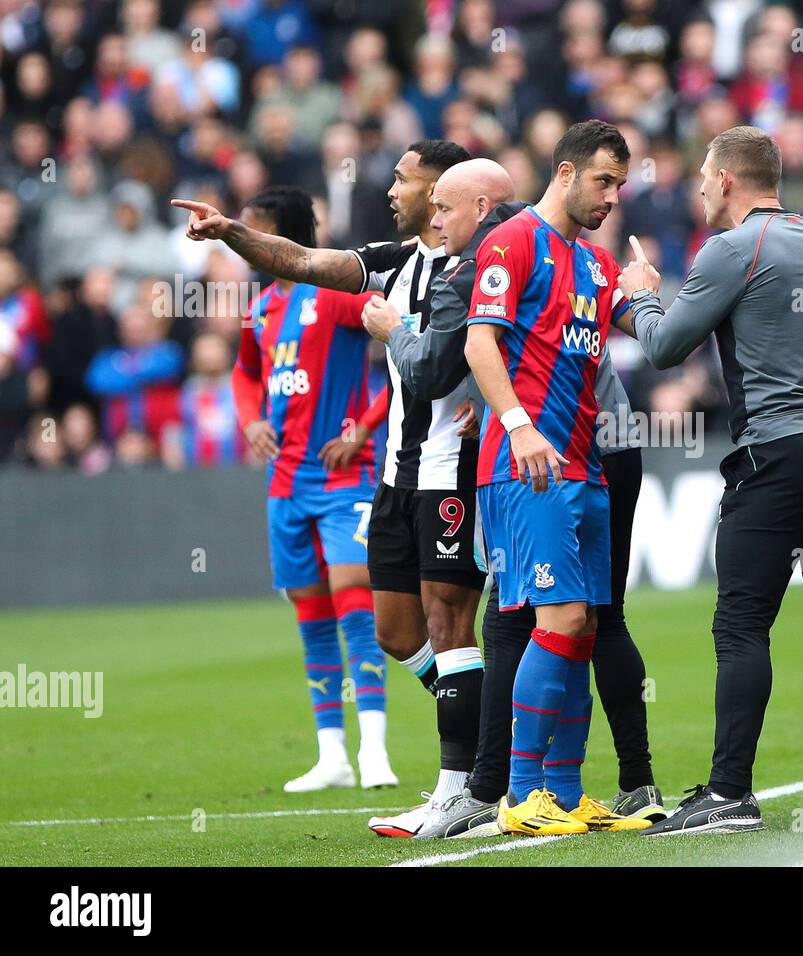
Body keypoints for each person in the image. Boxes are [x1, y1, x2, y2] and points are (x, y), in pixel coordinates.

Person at [172, 141, 485, 809]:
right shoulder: (385, 265)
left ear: (437, 192)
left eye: (401, 179)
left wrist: (369, 427)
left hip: (433, 470)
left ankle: (460, 771)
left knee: (446, 619)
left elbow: (493, 346)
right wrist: (229, 232)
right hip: (378, 480)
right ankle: (467, 728)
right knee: (396, 630)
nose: (390, 189)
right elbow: (298, 273)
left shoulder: (479, 266)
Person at [362, 163, 665, 838]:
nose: (434, 221)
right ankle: (596, 785)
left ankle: (507, 788)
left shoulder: (503, 253)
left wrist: (401, 335)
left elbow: (447, 359)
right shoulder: (566, 251)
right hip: (583, 450)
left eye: (442, 206)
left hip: (551, 456)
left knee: (527, 622)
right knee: (583, 620)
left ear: (482, 206)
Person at [617, 125, 803, 836]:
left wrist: (641, 294)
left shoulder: (731, 248)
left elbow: (661, 348)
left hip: (780, 452)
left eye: (705, 177)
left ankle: (730, 794)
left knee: (740, 624)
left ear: (728, 180)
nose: (699, 189)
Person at [463, 119, 650, 835]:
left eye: (621, 186)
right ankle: (522, 791)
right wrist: (517, 424)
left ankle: (568, 797)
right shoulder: (510, 243)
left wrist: (644, 289)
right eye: (603, 181)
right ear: (565, 173)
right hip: (526, 467)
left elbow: (644, 329)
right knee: (560, 620)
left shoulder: (596, 265)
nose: (612, 197)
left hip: (586, 466)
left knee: (585, 626)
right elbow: (481, 341)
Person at [226, 186, 395, 792]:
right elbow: (244, 373)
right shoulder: (261, 309)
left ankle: (374, 746)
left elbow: (404, 354)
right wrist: (250, 418)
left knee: (354, 595)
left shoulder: (339, 295)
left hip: (345, 475)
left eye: (252, 229)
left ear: (281, 233)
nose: (243, 240)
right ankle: (333, 753)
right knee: (310, 611)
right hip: (286, 483)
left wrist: (363, 428)